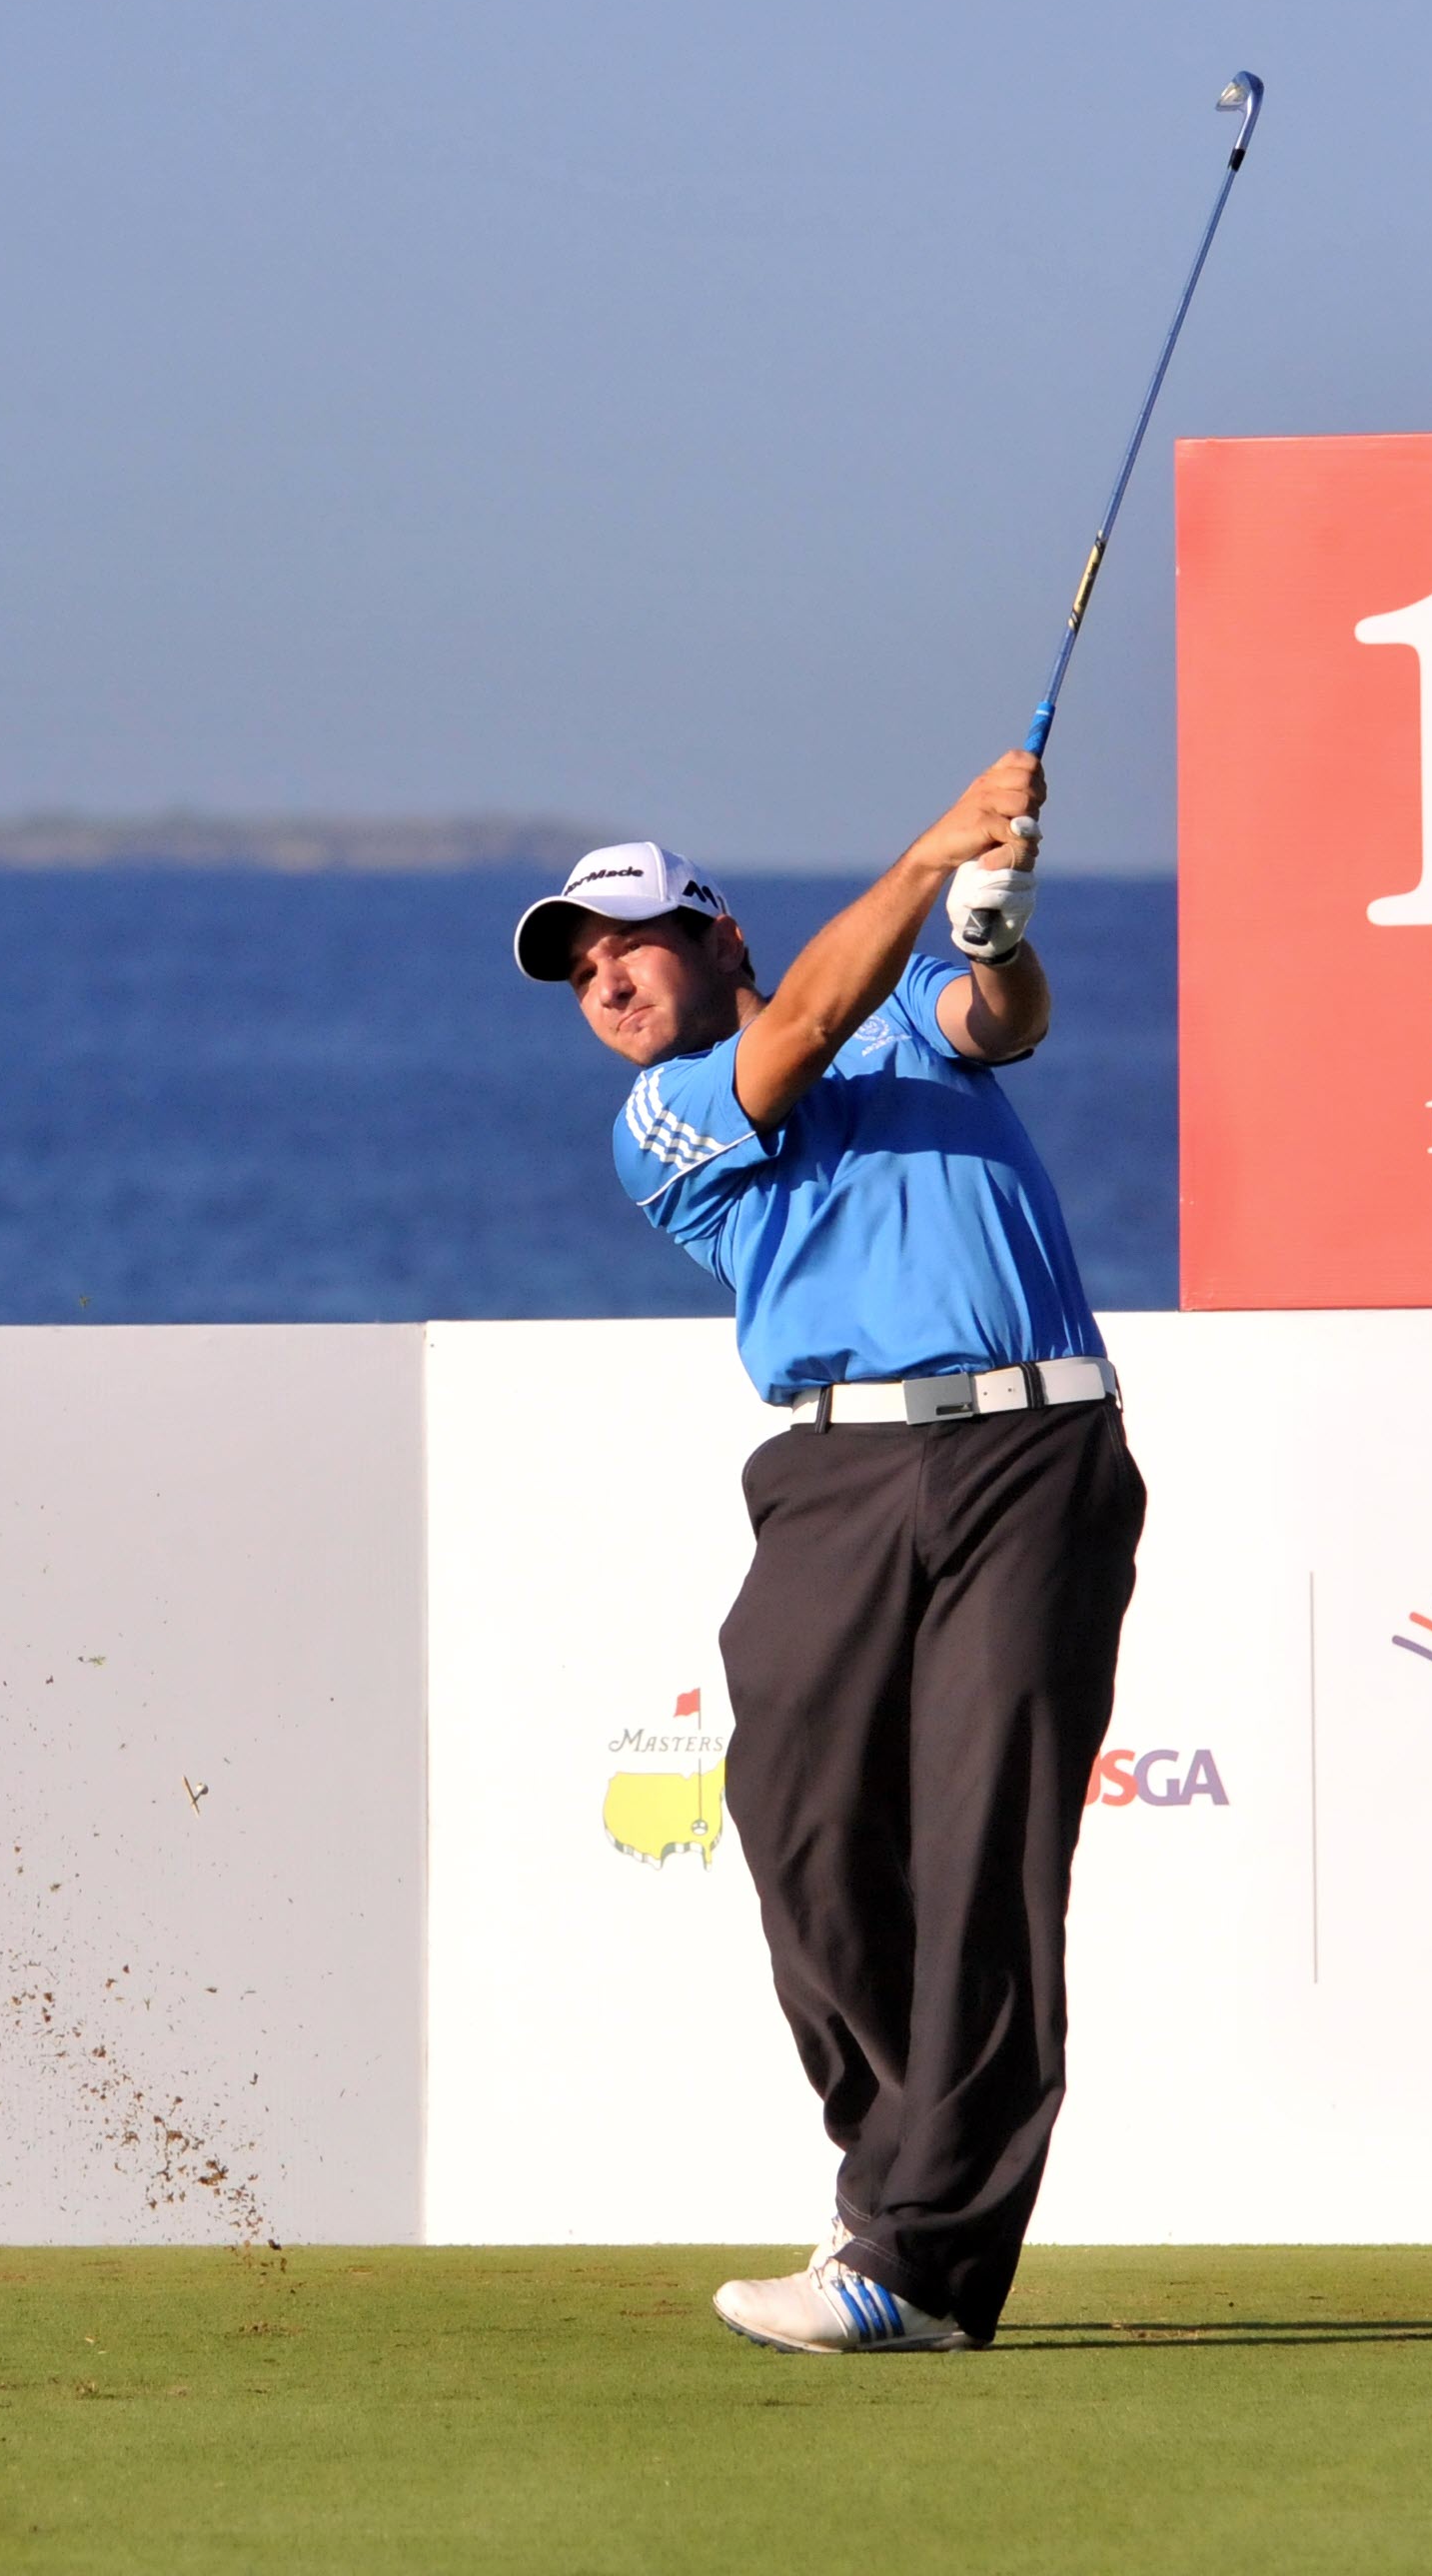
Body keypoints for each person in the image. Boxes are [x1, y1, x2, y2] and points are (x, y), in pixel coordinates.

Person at [511, 750, 1144, 2354]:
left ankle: (917, 2261)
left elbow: (998, 1020)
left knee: (987, 1849)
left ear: (718, 934)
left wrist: (992, 931)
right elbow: (795, 1035)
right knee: (806, 1833)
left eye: (631, 947)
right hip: (833, 1474)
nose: (606, 984)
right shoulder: (659, 1119)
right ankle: (897, 2188)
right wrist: (935, 852)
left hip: (1031, 1449)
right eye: (582, 973)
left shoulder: (901, 1002)